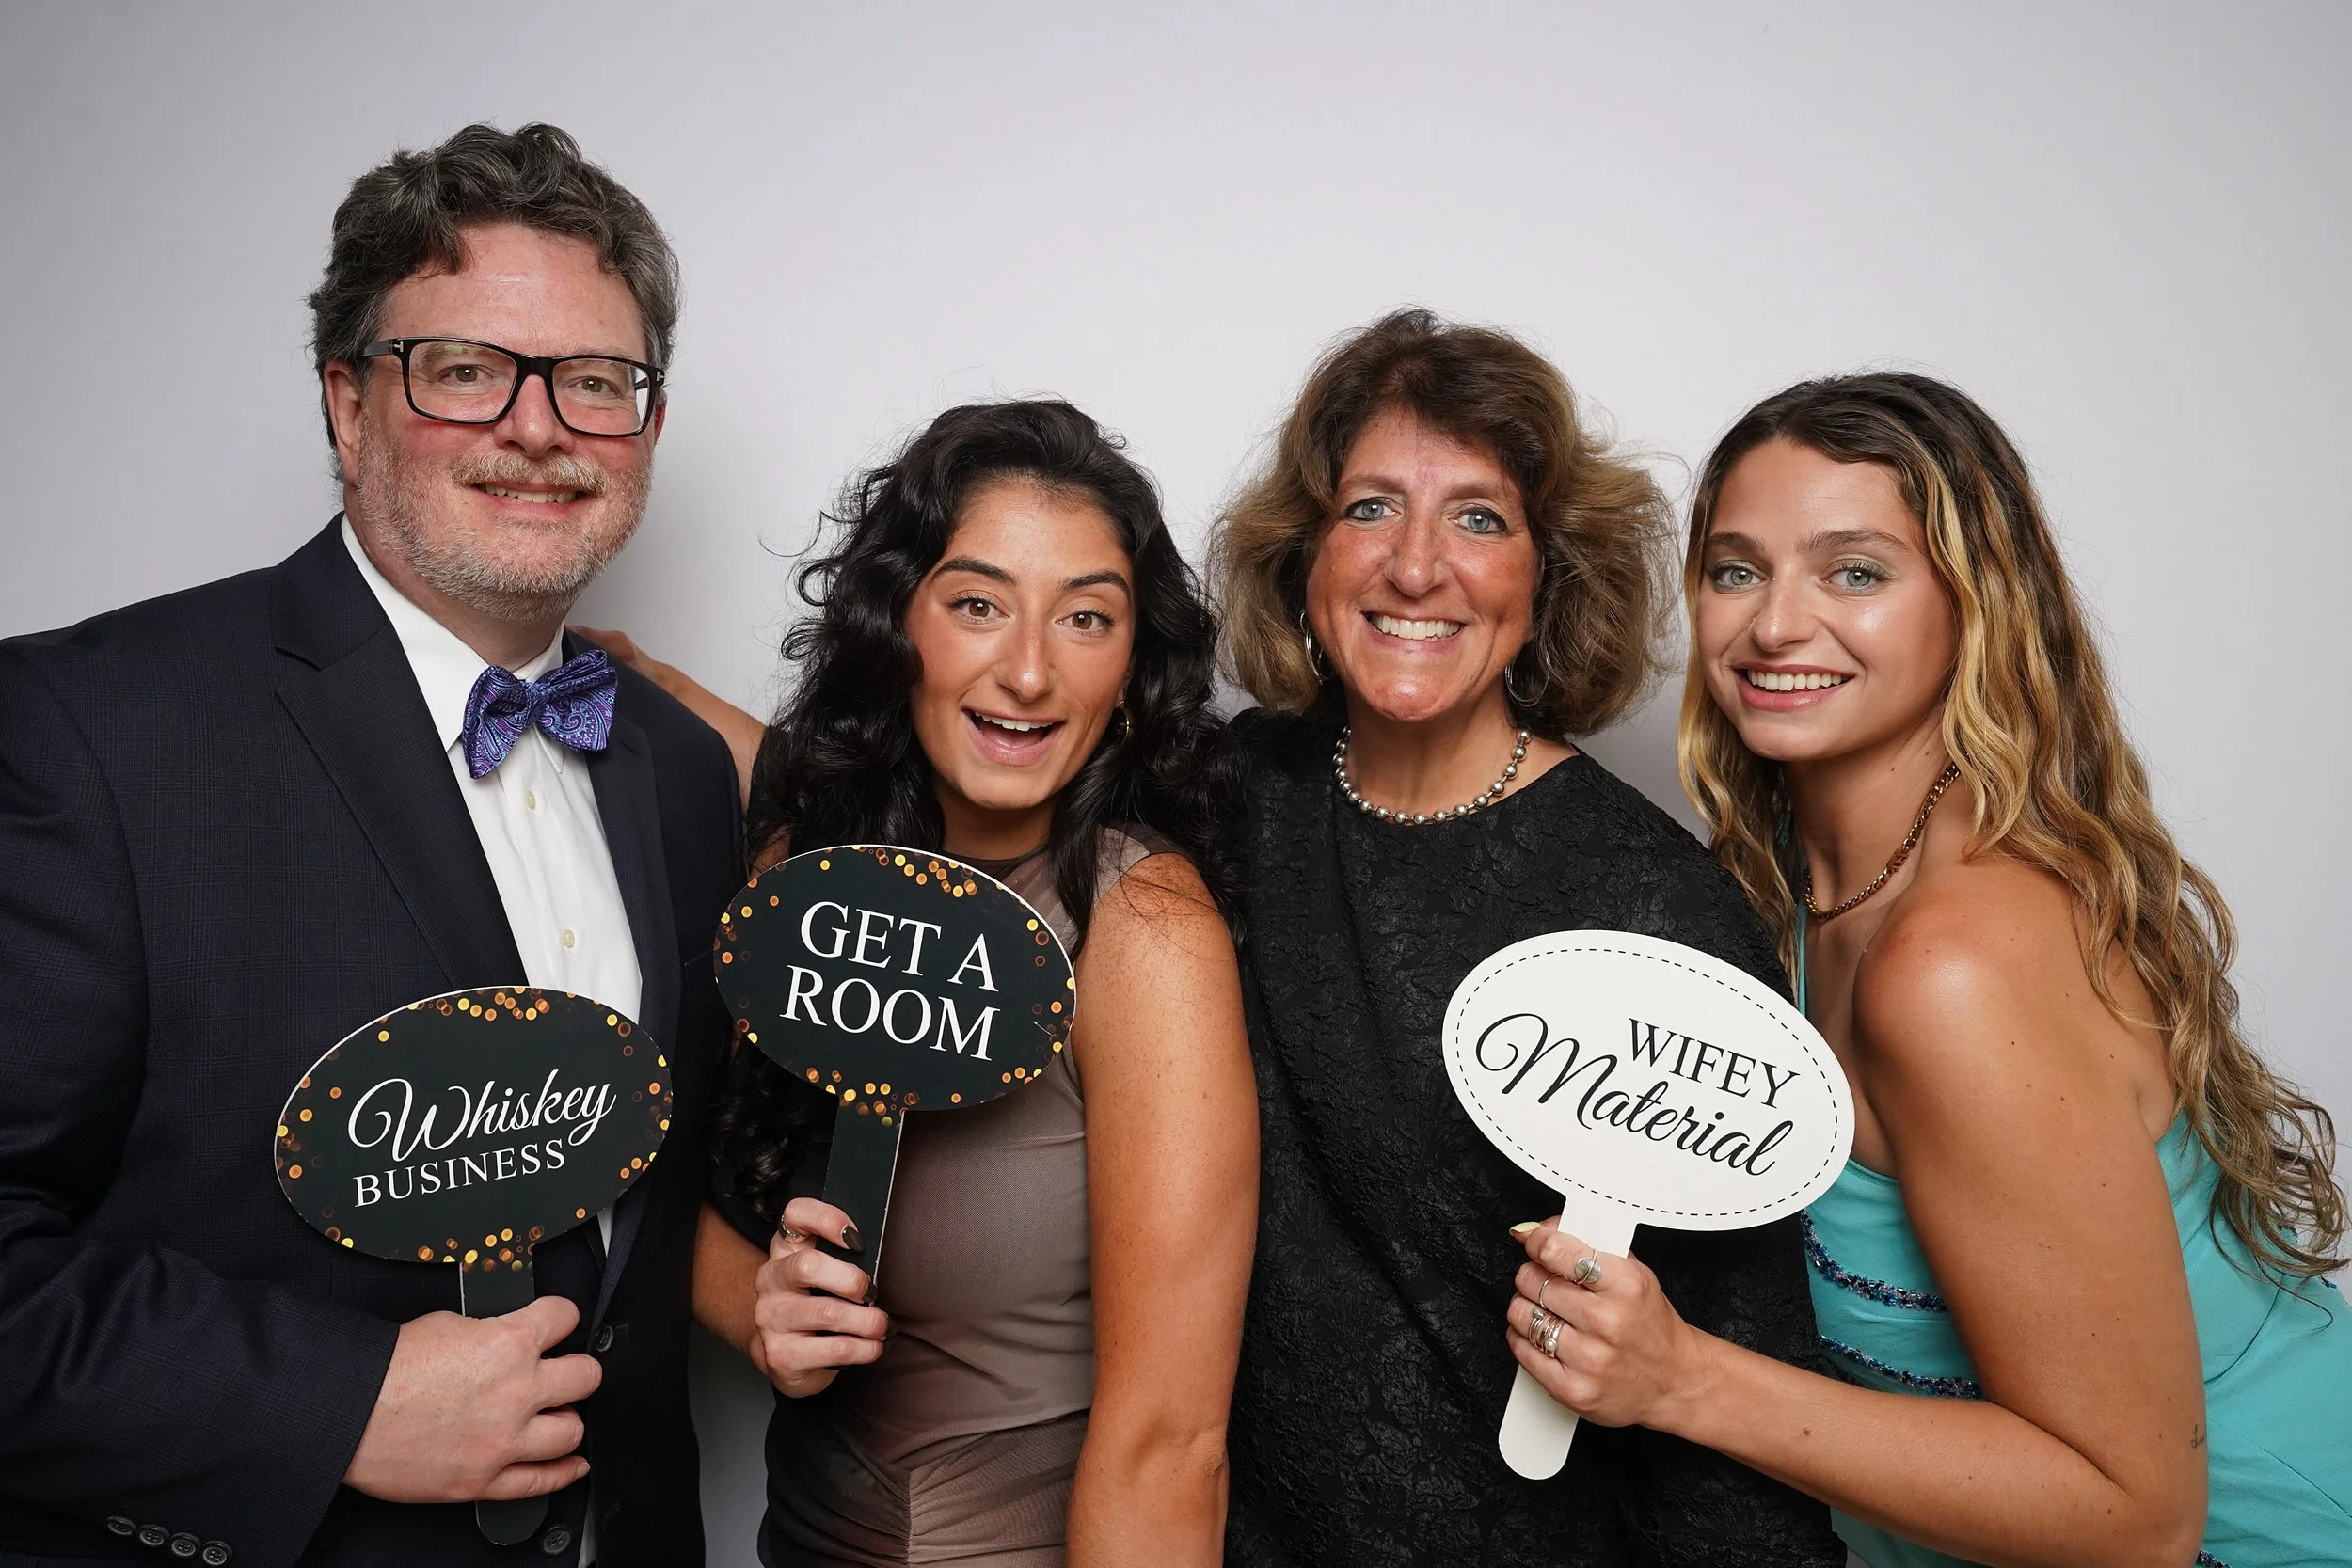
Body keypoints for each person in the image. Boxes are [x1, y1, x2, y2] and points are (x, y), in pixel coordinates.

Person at [0, 123, 740, 1566]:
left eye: (596, 382)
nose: (541, 428)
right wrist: (337, 1403)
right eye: (466, 370)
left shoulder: (678, 768)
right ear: (347, 406)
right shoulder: (85, 730)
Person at [1502, 372, 2352, 1566]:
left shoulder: (1953, 963)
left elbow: (2136, 1516)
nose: (1776, 625)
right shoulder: (1788, 896)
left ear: (1974, 604)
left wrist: (1680, 1377)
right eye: (1738, 568)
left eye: (1855, 571)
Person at [1207, 309, 1844, 1566]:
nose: (1416, 567)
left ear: (1552, 575)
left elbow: (1730, 1401)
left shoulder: (1660, 914)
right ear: (1305, 550)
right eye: (1373, 507)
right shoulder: (1224, 796)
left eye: (1481, 518)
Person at [656, 399, 1257, 1567]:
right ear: (897, 629)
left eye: (1086, 618)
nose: (1027, 670)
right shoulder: (805, 868)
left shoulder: (1142, 926)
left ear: (1131, 668)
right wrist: (751, 1301)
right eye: (977, 603)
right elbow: (629, 1163)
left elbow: (1170, 1443)